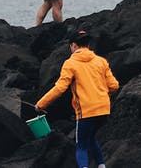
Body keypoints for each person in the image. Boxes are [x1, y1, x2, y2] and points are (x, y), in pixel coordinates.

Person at [36, 30, 119, 168]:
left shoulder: (70, 64)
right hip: (104, 109)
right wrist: (103, 95)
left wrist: (41, 104)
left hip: (86, 111)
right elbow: (114, 86)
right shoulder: (101, 61)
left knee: (81, 146)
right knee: (91, 138)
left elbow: (60, 88)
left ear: (74, 45)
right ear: (87, 44)